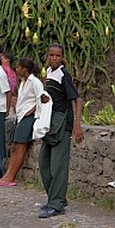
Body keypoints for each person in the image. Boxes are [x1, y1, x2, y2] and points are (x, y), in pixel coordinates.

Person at [38, 43, 84, 218]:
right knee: (44, 163)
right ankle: (56, 198)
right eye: (51, 55)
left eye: (57, 56)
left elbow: (77, 100)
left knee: (58, 166)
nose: (54, 58)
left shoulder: (64, 75)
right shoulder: (49, 73)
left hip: (62, 124)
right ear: (47, 56)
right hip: (49, 123)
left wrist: (77, 125)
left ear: (62, 57)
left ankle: (56, 204)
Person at [0, 58, 44, 187]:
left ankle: (11, 176)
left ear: (24, 69)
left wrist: (31, 110)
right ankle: (7, 175)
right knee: (14, 147)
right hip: (20, 116)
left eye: (18, 67)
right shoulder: (24, 82)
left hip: (28, 117)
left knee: (21, 146)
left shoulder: (35, 82)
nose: (16, 70)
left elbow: (41, 99)